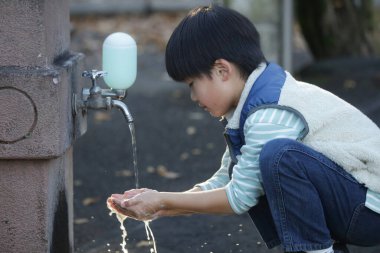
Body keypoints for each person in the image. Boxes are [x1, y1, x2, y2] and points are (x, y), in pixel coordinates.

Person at [107, 5, 380, 253]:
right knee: (270, 162)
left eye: (192, 84)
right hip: (355, 201)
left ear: (222, 71)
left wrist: (164, 201)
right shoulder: (252, 104)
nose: (192, 97)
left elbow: (238, 196)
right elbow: (228, 180)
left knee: (279, 157)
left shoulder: (269, 114)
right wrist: (158, 205)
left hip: (370, 210)